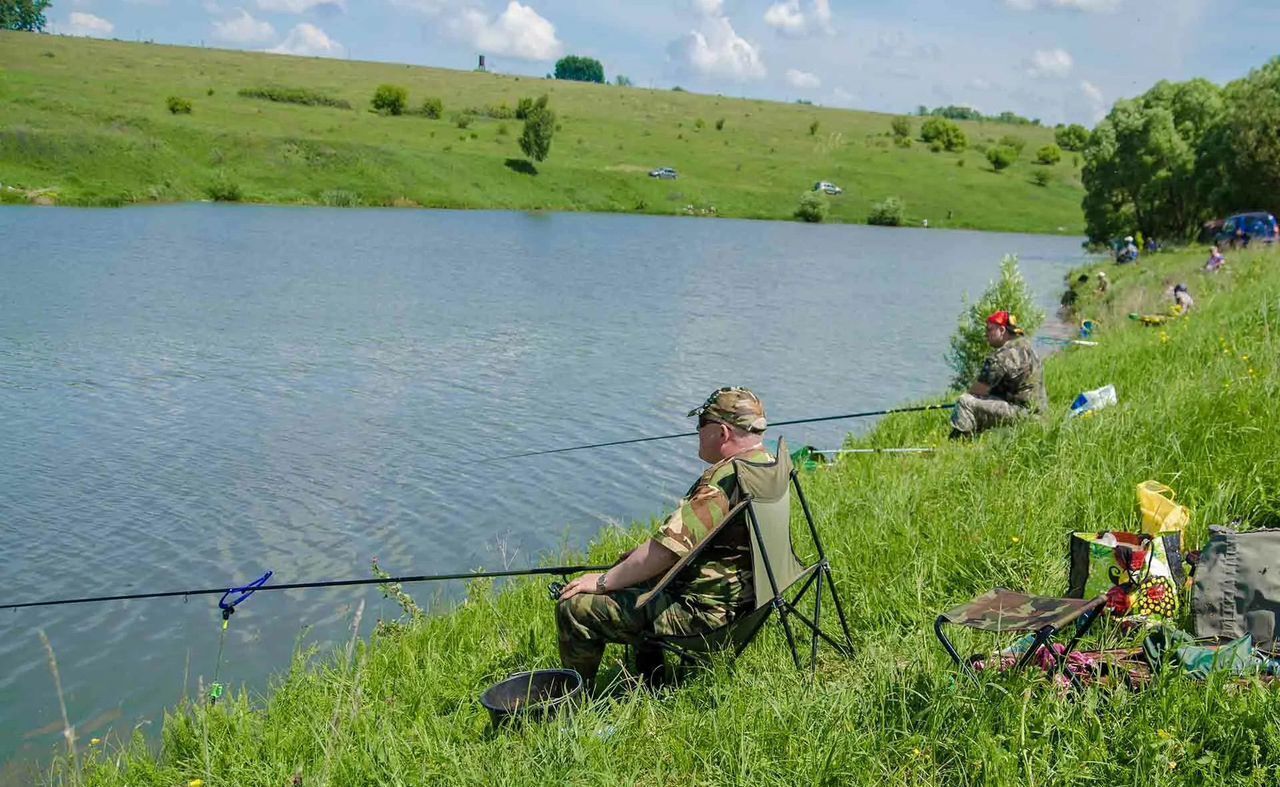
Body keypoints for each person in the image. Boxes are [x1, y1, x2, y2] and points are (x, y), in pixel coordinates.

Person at [556, 387, 772, 686]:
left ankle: (573, 700)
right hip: (749, 604)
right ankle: (652, 681)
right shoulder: (767, 465)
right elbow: (674, 543)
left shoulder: (722, 484)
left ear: (722, 433)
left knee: (575, 607)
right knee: (636, 574)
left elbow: (666, 553)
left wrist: (604, 581)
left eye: (701, 425)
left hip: (707, 617)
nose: (697, 432)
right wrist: (632, 563)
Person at [950, 311, 1048, 438]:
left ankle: (960, 443)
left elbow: (977, 391)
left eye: (989, 330)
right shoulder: (1028, 348)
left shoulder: (1001, 357)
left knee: (965, 402)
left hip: (1022, 414)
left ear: (1002, 330)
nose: (986, 334)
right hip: (1039, 415)